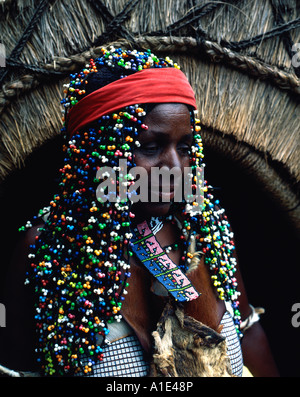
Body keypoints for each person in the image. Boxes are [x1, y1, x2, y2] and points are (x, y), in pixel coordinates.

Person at [0, 47, 279, 377]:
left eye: (186, 147)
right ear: (96, 152)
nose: (174, 168)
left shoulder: (206, 228)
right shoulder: (48, 249)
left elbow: (249, 335)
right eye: (150, 147)